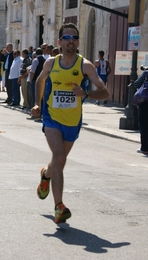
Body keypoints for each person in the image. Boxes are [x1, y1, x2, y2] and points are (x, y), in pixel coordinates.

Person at [31, 23, 109, 224]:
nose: (71, 41)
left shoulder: (85, 65)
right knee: (59, 156)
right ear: (60, 42)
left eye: (74, 37)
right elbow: (39, 82)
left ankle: (46, 175)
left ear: (78, 42)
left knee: (59, 161)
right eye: (67, 37)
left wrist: (88, 93)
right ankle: (59, 207)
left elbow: (105, 92)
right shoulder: (50, 63)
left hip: (73, 121)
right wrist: (37, 105)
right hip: (51, 117)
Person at [27, 48, 45, 120]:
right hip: (43, 81)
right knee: (41, 98)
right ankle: (40, 114)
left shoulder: (35, 60)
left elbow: (32, 71)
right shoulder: (44, 60)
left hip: (35, 81)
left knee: (35, 98)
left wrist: (31, 80)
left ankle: (35, 114)